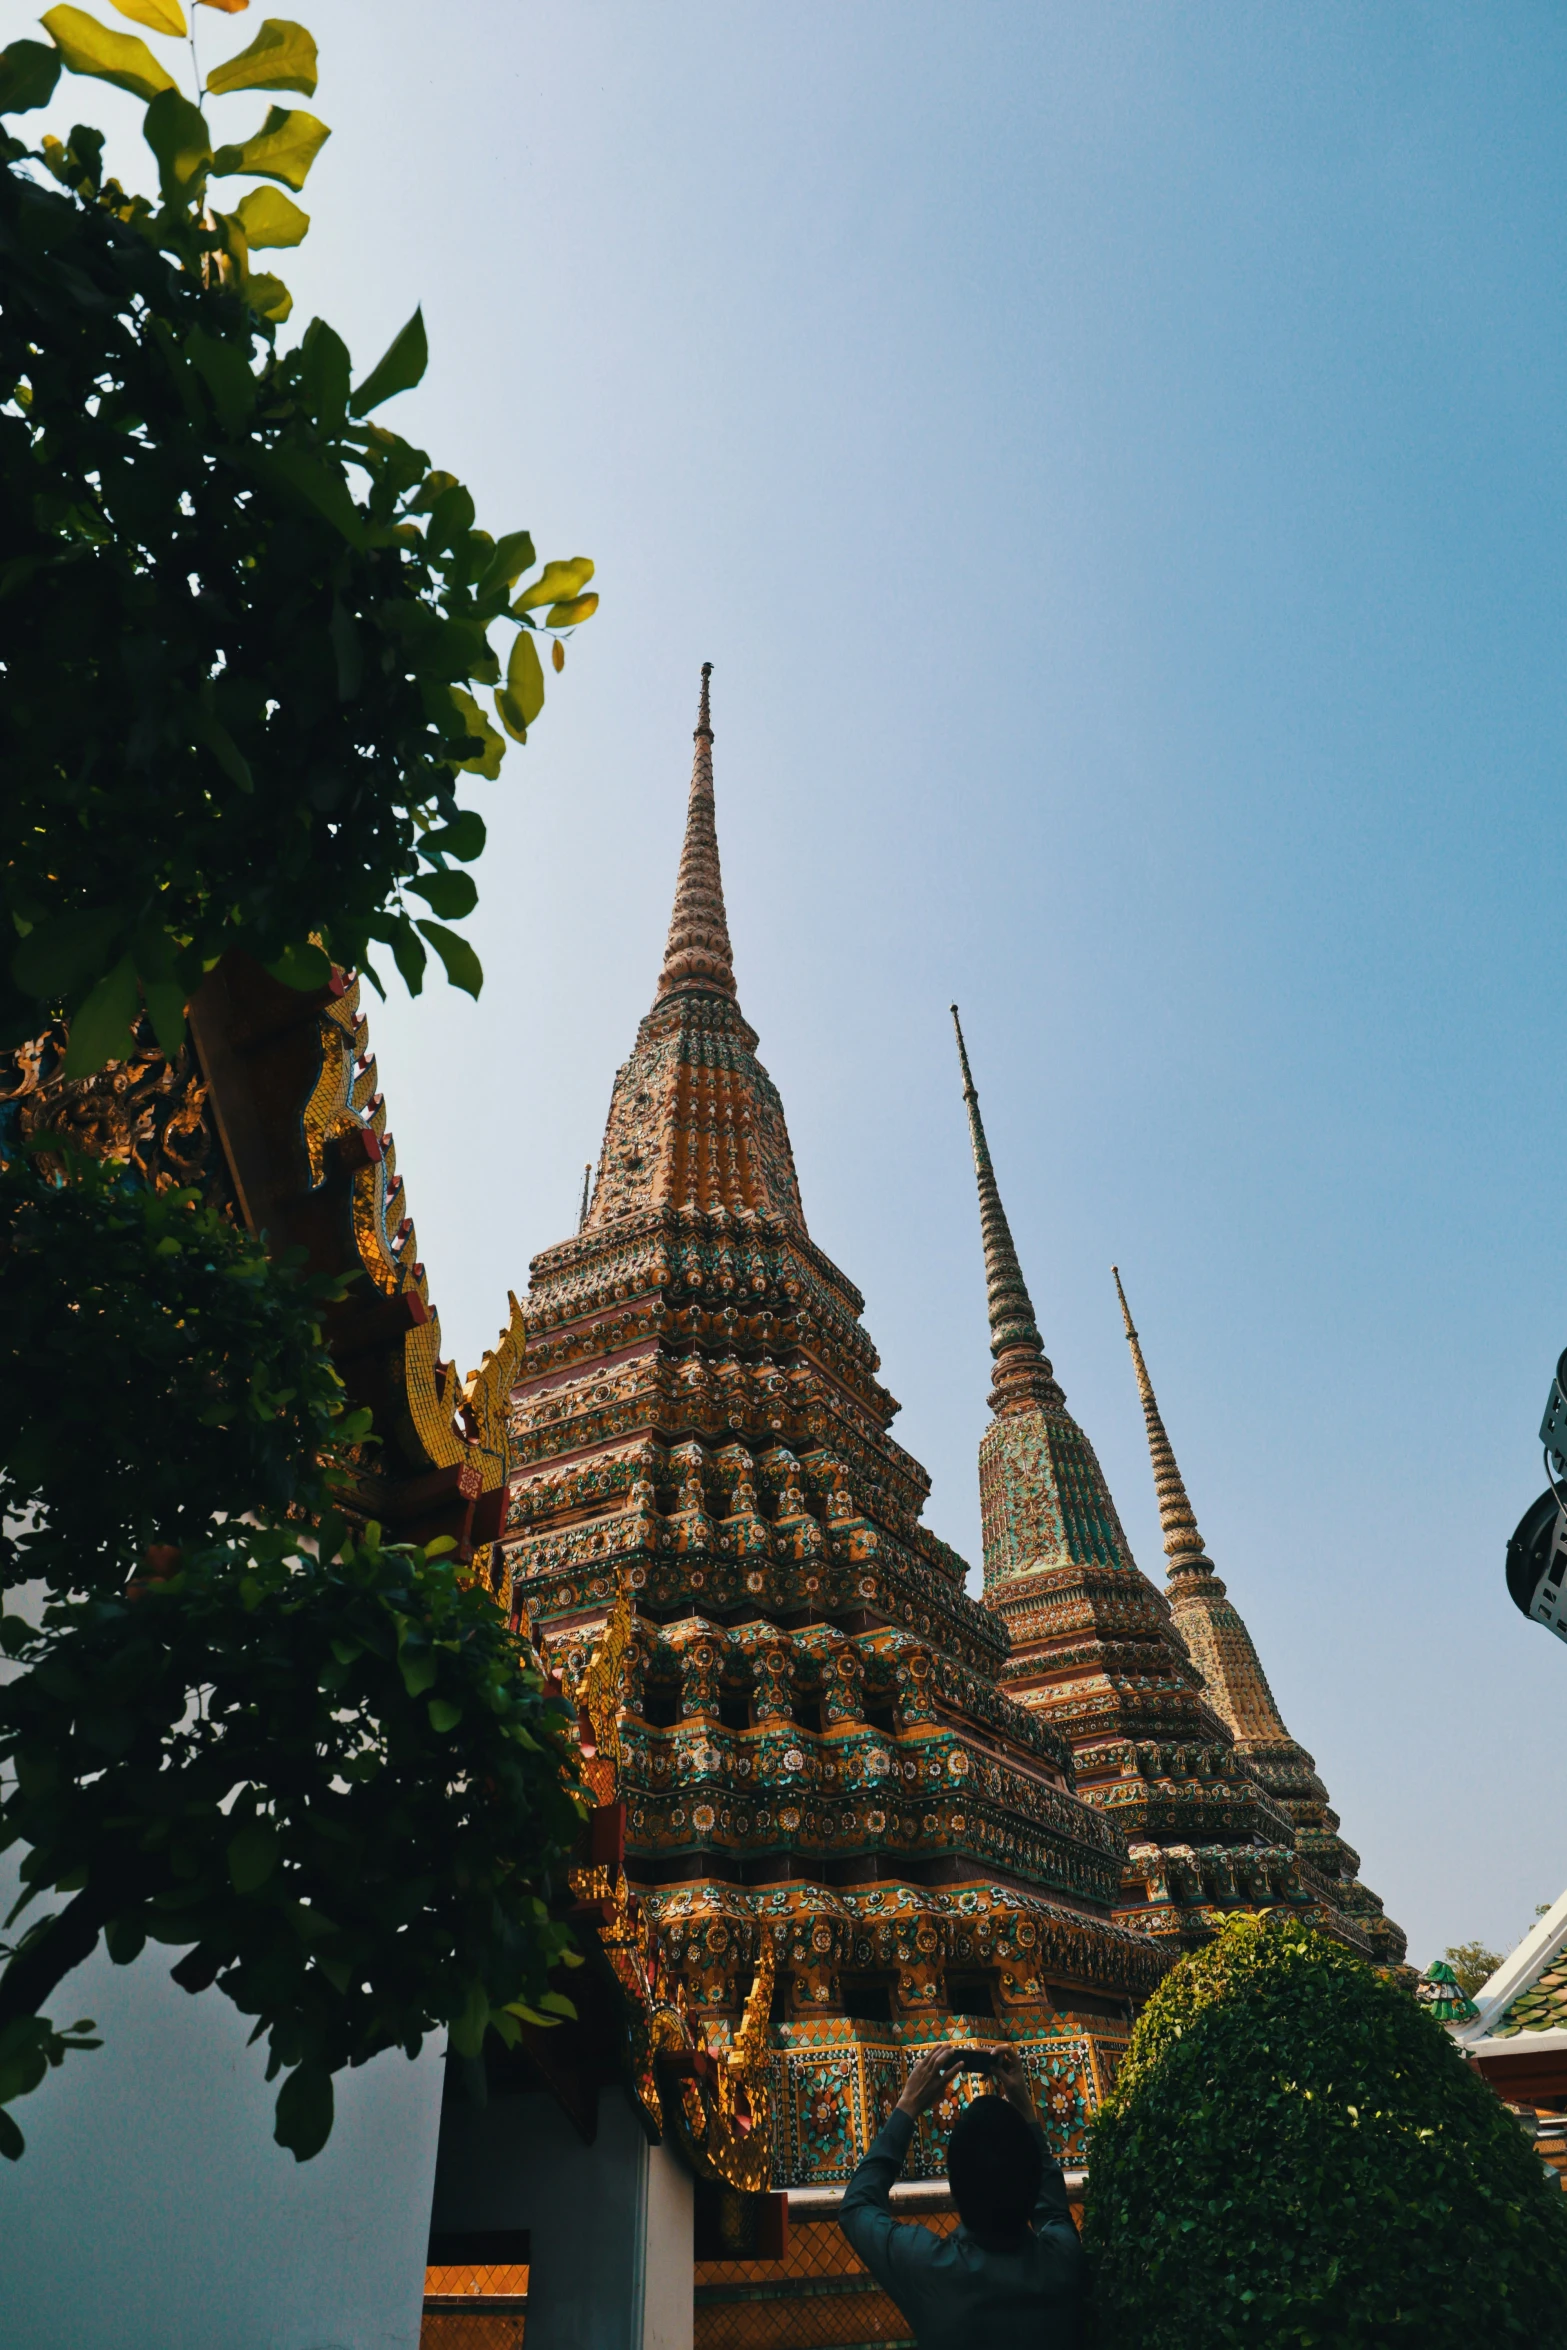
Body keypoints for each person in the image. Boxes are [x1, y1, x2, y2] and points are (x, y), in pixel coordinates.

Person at [838, 2040, 1084, 2349]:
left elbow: (857, 2205)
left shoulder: (930, 2266)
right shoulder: (1061, 2260)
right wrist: (1024, 2107)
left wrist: (908, 2105)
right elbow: (1054, 2211)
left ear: (954, 2188)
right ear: (1032, 2182)